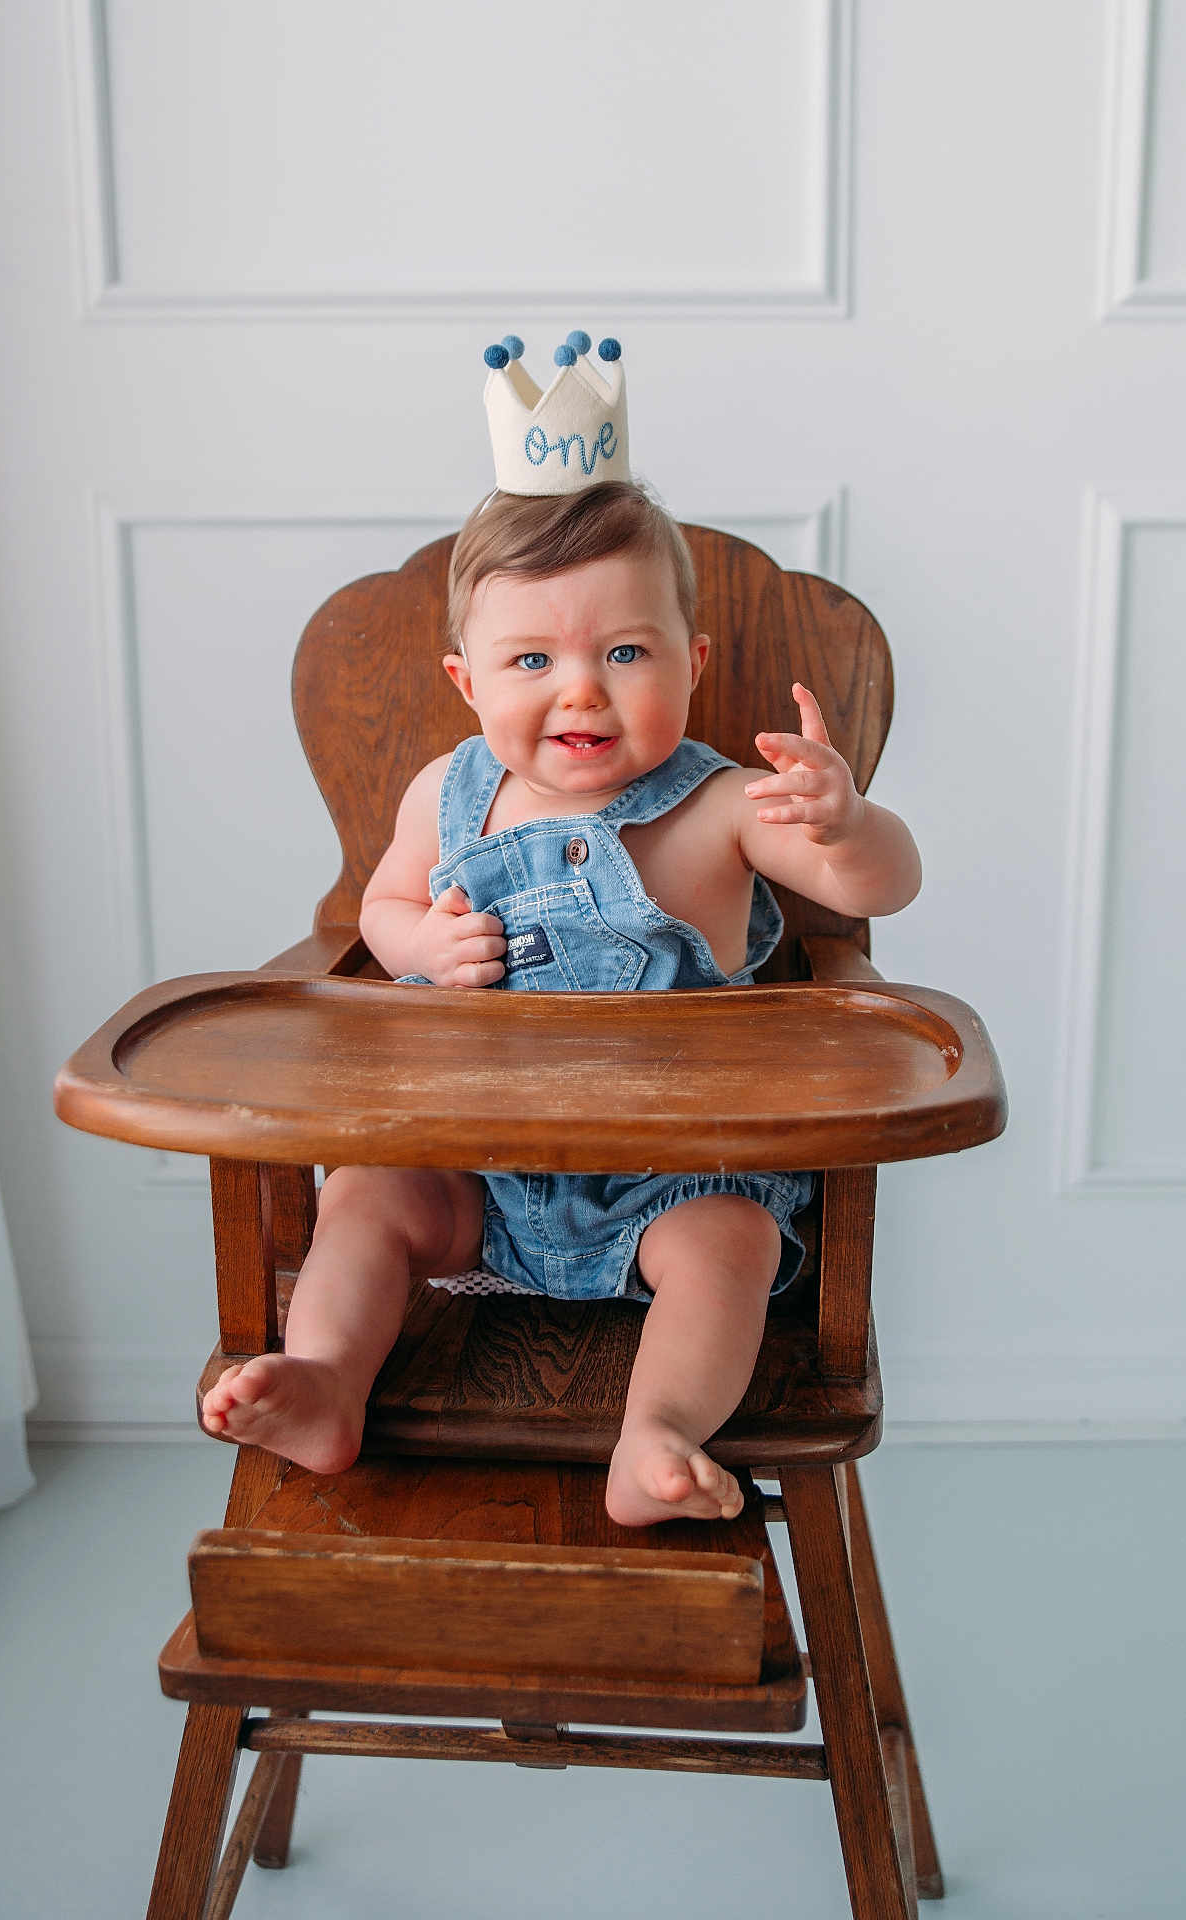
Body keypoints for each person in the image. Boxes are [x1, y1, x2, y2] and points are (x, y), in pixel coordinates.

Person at [202, 336, 921, 1527]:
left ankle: (658, 1433)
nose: (578, 690)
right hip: (473, 1171)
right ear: (466, 681)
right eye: (531, 658)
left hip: (675, 1176)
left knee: (729, 1247)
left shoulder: (722, 808)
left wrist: (844, 822)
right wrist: (421, 949)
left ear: (691, 665)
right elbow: (380, 911)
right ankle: (328, 1379)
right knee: (366, 1196)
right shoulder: (446, 795)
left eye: (623, 652)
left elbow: (875, 890)